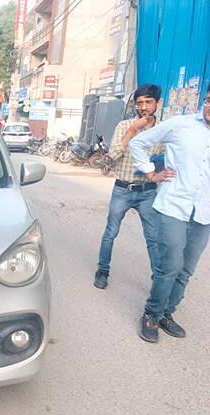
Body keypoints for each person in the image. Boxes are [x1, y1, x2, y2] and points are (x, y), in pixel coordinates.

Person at [129, 83, 210, 343]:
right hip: (175, 204)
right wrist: (151, 173)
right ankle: (151, 314)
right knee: (171, 266)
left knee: (186, 269)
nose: (209, 106)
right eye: (208, 99)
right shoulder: (181, 125)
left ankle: (167, 313)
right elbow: (139, 143)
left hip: (205, 210)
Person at [94, 84, 164, 289]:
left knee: (153, 238)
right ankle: (103, 270)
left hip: (148, 192)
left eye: (148, 102)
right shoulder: (125, 126)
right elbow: (112, 155)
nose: (143, 107)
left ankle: (158, 279)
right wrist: (133, 130)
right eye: (139, 103)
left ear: (157, 104)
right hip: (122, 189)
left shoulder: (163, 130)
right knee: (110, 232)